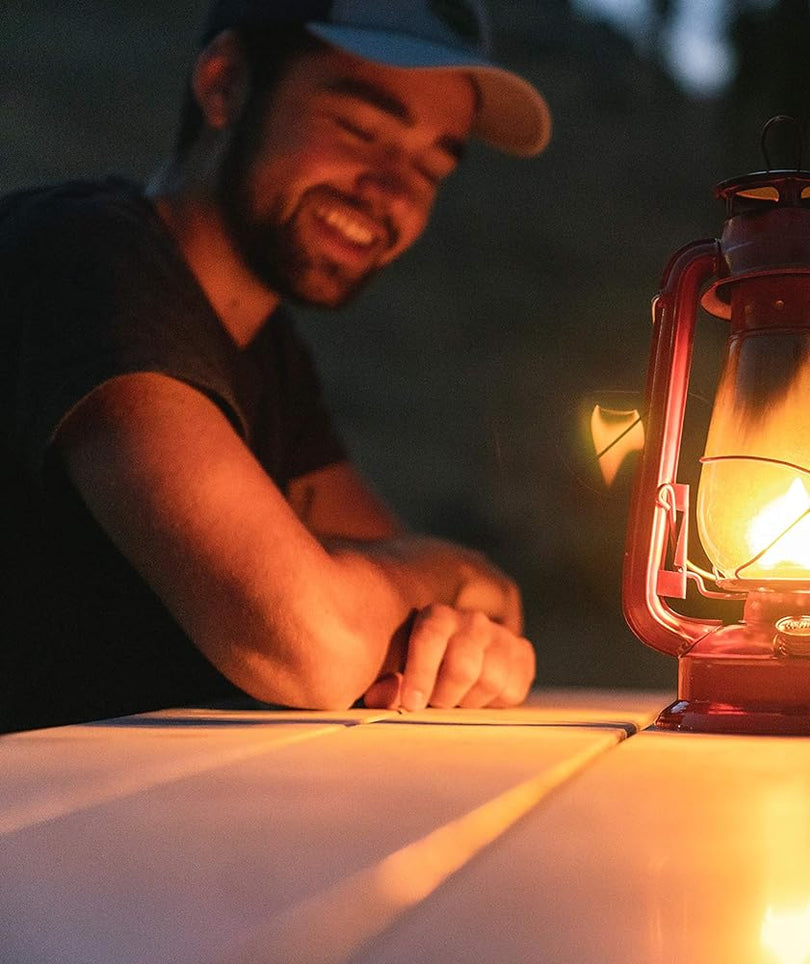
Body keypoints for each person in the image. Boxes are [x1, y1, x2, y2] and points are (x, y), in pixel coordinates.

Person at [0, 0, 551, 732]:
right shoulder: (88, 261)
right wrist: (464, 573)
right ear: (225, 84)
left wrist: (466, 616)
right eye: (358, 128)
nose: (390, 190)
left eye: (429, 168)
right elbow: (310, 643)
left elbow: (415, 620)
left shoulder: (264, 350)